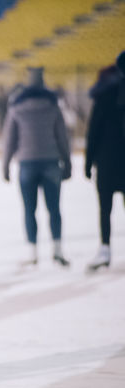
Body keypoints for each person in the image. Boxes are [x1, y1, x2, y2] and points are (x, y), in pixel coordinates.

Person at [2, 67, 72, 266]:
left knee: (29, 209)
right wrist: (67, 161)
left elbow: (10, 139)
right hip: (51, 161)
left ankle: (32, 252)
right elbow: (62, 137)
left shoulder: (16, 106)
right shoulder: (53, 105)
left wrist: (5, 164)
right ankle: (57, 249)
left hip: (27, 162)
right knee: (54, 208)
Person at [85, 51, 125, 271]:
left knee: (105, 208)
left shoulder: (104, 94)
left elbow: (94, 131)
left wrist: (88, 162)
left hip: (107, 160)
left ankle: (105, 249)